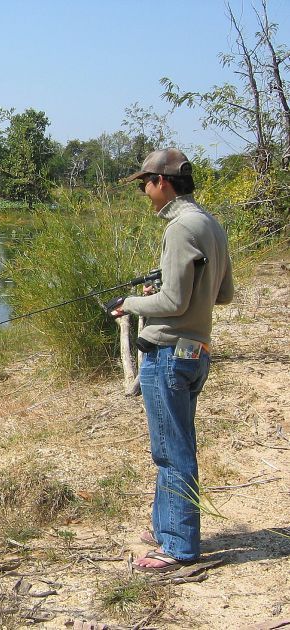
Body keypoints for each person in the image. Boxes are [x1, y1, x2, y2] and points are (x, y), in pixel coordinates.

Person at [109, 148, 234, 572]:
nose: (144, 191)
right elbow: (222, 293)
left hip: (169, 354)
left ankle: (179, 546)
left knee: (172, 451)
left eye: (144, 183)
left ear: (161, 181)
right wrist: (162, 296)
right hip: (196, 352)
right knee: (170, 444)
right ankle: (166, 526)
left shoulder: (181, 228)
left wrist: (131, 304)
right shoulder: (210, 223)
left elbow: (175, 302)